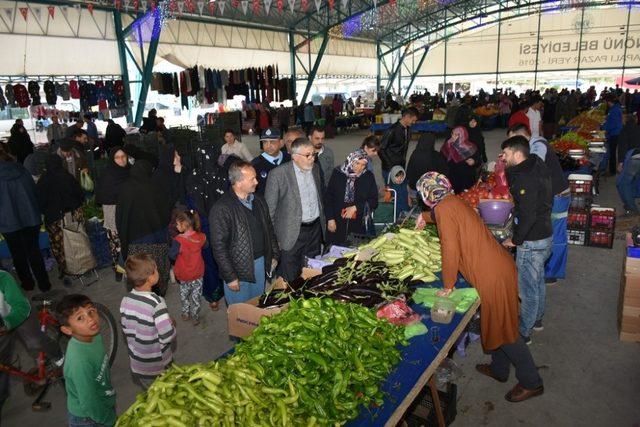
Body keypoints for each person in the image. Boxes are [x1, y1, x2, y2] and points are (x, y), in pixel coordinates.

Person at [416, 172, 544, 403]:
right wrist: (425, 217)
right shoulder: (452, 200)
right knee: (498, 321)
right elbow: (443, 214)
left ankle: (532, 382)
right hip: (497, 266)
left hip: (492, 275)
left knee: (507, 331)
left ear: (426, 194)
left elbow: (450, 249)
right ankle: (499, 369)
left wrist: (448, 284)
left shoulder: (445, 209)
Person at [501, 136, 552, 343]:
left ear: (517, 153)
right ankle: (537, 319)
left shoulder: (525, 180)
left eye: (505, 154)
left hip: (531, 242)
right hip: (545, 235)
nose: (503, 158)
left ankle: (523, 333)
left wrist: (516, 240)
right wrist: (507, 164)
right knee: (538, 281)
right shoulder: (536, 164)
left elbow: (528, 215)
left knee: (527, 291)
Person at [210, 161, 279, 306]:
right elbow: (218, 247)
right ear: (238, 183)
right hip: (238, 268)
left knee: (257, 305)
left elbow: (269, 229)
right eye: (252, 179)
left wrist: (273, 254)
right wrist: (230, 277)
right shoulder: (222, 208)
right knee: (240, 312)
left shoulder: (259, 200)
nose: (257, 181)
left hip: (260, 263)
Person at [508, 124, 570, 283]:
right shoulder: (533, 144)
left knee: (556, 235)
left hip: (558, 196)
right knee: (551, 233)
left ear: (520, 136)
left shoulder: (537, 146)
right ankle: (546, 270)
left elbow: (532, 168)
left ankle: (552, 273)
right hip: (552, 194)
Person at [265, 138, 325, 283]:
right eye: (307, 155)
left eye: (313, 154)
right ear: (294, 156)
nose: (312, 159)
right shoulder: (278, 174)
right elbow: (269, 212)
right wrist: (274, 241)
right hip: (290, 234)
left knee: (311, 272)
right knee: (290, 277)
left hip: (314, 231)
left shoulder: (315, 169)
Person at [56, 294, 116, 427]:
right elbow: (89, 402)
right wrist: (109, 420)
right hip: (87, 419)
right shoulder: (79, 361)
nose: (91, 320)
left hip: (102, 403)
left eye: (91, 312)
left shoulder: (93, 335)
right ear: (67, 329)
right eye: (80, 318)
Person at [119, 253, 176, 390]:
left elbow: (126, 328)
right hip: (157, 363)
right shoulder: (157, 303)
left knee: (152, 396)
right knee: (167, 395)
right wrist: (171, 324)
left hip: (138, 363)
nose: (158, 272)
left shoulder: (125, 300)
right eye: (156, 269)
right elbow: (167, 336)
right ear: (150, 278)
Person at [116, 160, 173, 296]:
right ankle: (158, 295)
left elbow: (121, 217)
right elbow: (166, 211)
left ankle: (140, 297)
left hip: (136, 240)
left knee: (139, 270)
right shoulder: (154, 186)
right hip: (157, 237)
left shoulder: (125, 188)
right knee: (156, 268)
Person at [0, 146, 51, 292]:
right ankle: (44, 284)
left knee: (18, 254)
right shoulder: (21, 169)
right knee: (34, 252)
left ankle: (28, 284)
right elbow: (34, 192)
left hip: (8, 222)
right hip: (30, 218)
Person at [37, 154, 85, 283]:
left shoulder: (43, 180)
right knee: (76, 240)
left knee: (59, 245)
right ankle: (81, 264)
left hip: (54, 219)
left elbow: (40, 202)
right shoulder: (67, 176)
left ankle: (65, 268)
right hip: (72, 214)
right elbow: (79, 194)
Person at [324, 150, 378, 246]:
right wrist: (330, 219)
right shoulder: (338, 174)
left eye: (363, 165)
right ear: (351, 160)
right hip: (337, 222)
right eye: (357, 163)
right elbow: (328, 197)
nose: (359, 168)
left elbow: (374, 201)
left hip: (358, 225)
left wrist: (356, 207)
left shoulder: (368, 177)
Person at [95, 147, 130, 281]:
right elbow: (103, 196)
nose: (121, 160)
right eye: (117, 157)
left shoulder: (130, 171)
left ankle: (132, 269)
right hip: (113, 215)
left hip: (128, 213)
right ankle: (119, 269)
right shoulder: (108, 175)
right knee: (117, 245)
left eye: (123, 157)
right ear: (112, 159)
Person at [169, 211, 207, 325]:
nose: (176, 226)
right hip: (198, 274)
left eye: (177, 224)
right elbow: (206, 245)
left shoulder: (178, 241)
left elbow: (171, 255)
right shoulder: (201, 236)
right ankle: (195, 316)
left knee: (184, 295)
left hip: (184, 275)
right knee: (196, 297)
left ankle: (186, 313)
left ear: (185, 224)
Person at [379, 107, 418, 213]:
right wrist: (391, 167)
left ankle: (403, 213)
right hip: (391, 168)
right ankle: (399, 217)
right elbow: (380, 149)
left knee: (403, 192)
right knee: (397, 193)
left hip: (401, 166)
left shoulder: (408, 129)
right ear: (406, 117)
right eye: (413, 120)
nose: (414, 122)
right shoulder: (392, 130)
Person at [441, 126, 479, 193]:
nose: (453, 136)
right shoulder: (447, 145)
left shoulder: (471, 147)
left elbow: (478, 160)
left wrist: (474, 162)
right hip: (452, 178)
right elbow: (441, 159)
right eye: (452, 133)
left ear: (462, 136)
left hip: (466, 178)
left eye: (456, 135)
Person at [252, 128, 290, 195]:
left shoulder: (289, 159)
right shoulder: (255, 165)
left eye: (272, 142)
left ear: (281, 143)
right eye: (265, 142)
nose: (268, 145)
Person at [616, 114, 640, 217]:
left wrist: (620, 162)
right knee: (634, 181)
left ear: (624, 121)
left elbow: (623, 147)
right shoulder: (638, 128)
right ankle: (630, 201)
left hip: (634, 158)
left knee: (623, 183)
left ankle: (632, 208)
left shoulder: (625, 130)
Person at [603, 94, 623, 175]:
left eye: (606, 102)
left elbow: (613, 124)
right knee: (613, 152)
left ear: (609, 101)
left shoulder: (614, 110)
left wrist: (605, 130)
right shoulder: (616, 108)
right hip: (616, 132)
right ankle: (612, 170)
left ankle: (612, 171)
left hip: (614, 133)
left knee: (612, 152)